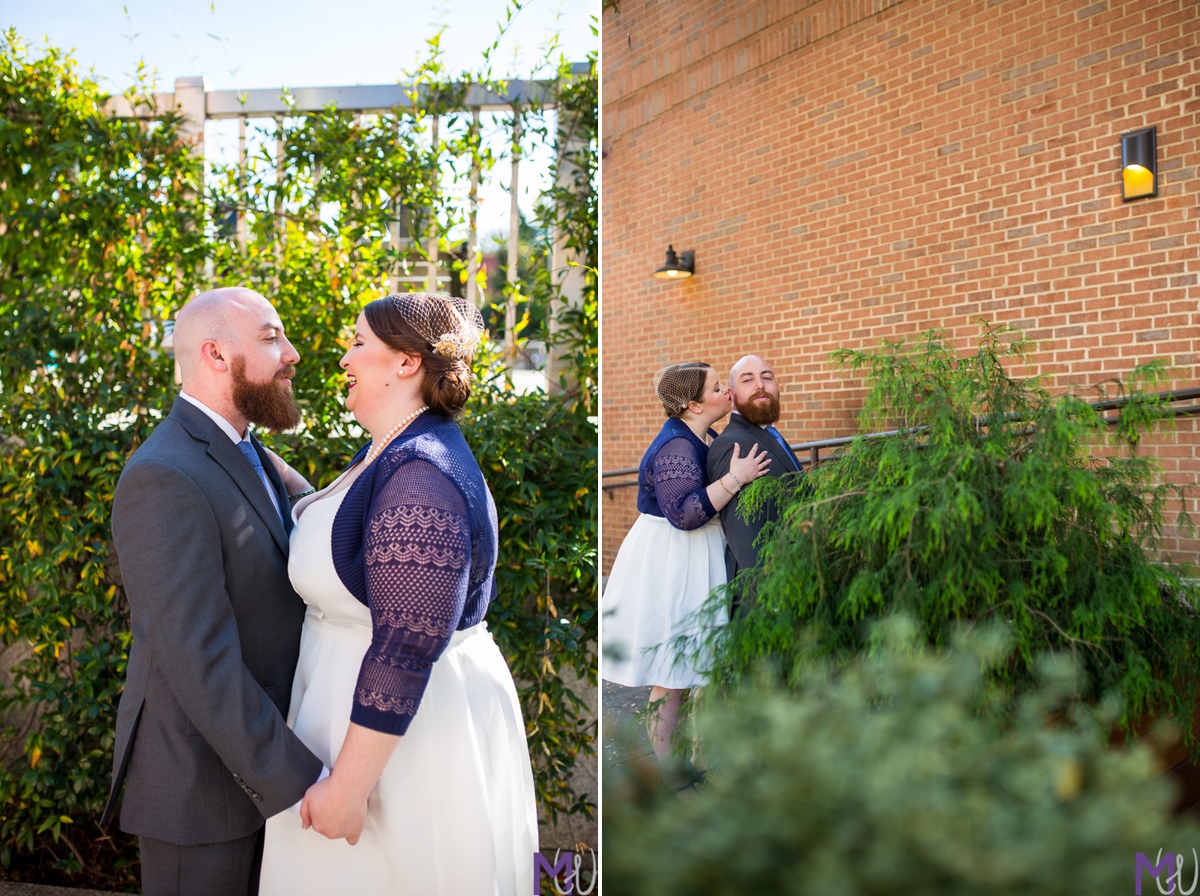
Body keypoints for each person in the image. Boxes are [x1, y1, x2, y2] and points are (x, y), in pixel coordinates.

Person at [257, 293, 538, 895]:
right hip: (344, 721)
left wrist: (349, 789)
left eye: (358, 343)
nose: (343, 359)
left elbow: (407, 645)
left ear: (407, 362)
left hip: (397, 748)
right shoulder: (388, 450)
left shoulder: (421, 472)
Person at [102, 287, 325, 896]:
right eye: (270, 337)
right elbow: (200, 660)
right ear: (216, 354)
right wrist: (303, 780)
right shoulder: (163, 475)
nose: (292, 354)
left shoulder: (254, 456)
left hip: (256, 778)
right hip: (200, 795)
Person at [601, 362, 770, 772]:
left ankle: (692, 763)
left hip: (693, 554)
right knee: (672, 675)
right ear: (694, 405)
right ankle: (673, 777)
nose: (727, 392)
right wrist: (737, 477)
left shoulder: (699, 433)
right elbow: (683, 513)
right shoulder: (676, 446)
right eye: (717, 388)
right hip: (672, 559)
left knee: (691, 669)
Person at [707, 354, 805, 590]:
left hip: (796, 580)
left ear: (778, 388)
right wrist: (769, 596)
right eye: (747, 380)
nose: (760, 385)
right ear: (731, 395)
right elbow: (744, 535)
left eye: (767, 377)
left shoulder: (770, 435)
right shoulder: (732, 445)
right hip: (765, 598)